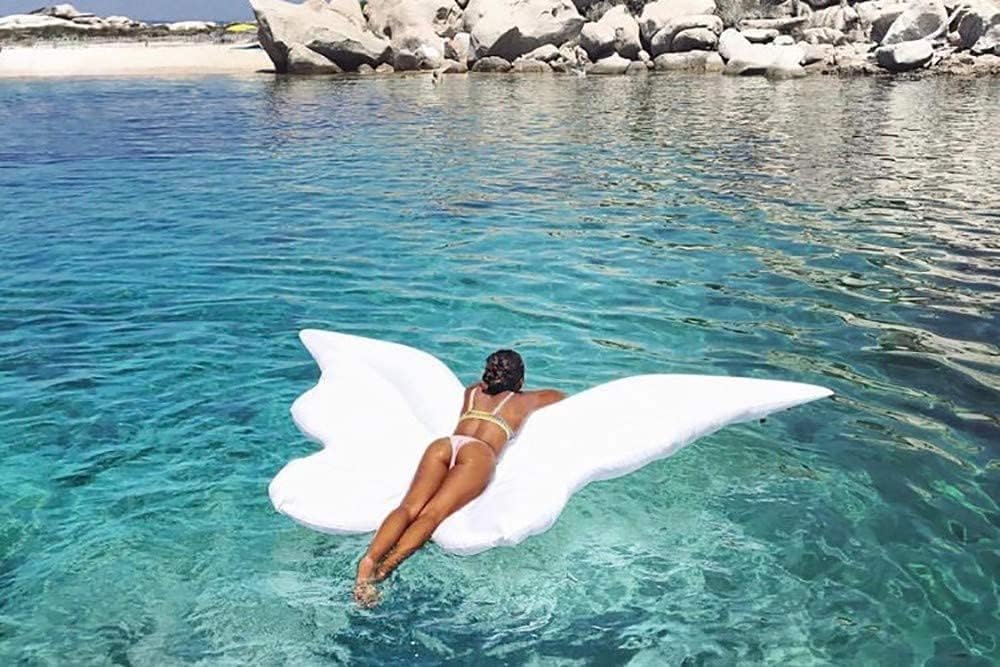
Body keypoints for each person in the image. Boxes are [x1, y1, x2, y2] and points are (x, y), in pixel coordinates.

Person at [354, 349, 565, 605]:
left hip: (445, 445)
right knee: (431, 515)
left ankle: (367, 565)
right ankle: (383, 572)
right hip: (477, 453)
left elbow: (488, 386)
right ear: (519, 381)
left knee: (408, 508)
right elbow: (561, 397)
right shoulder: (524, 400)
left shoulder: (472, 391)